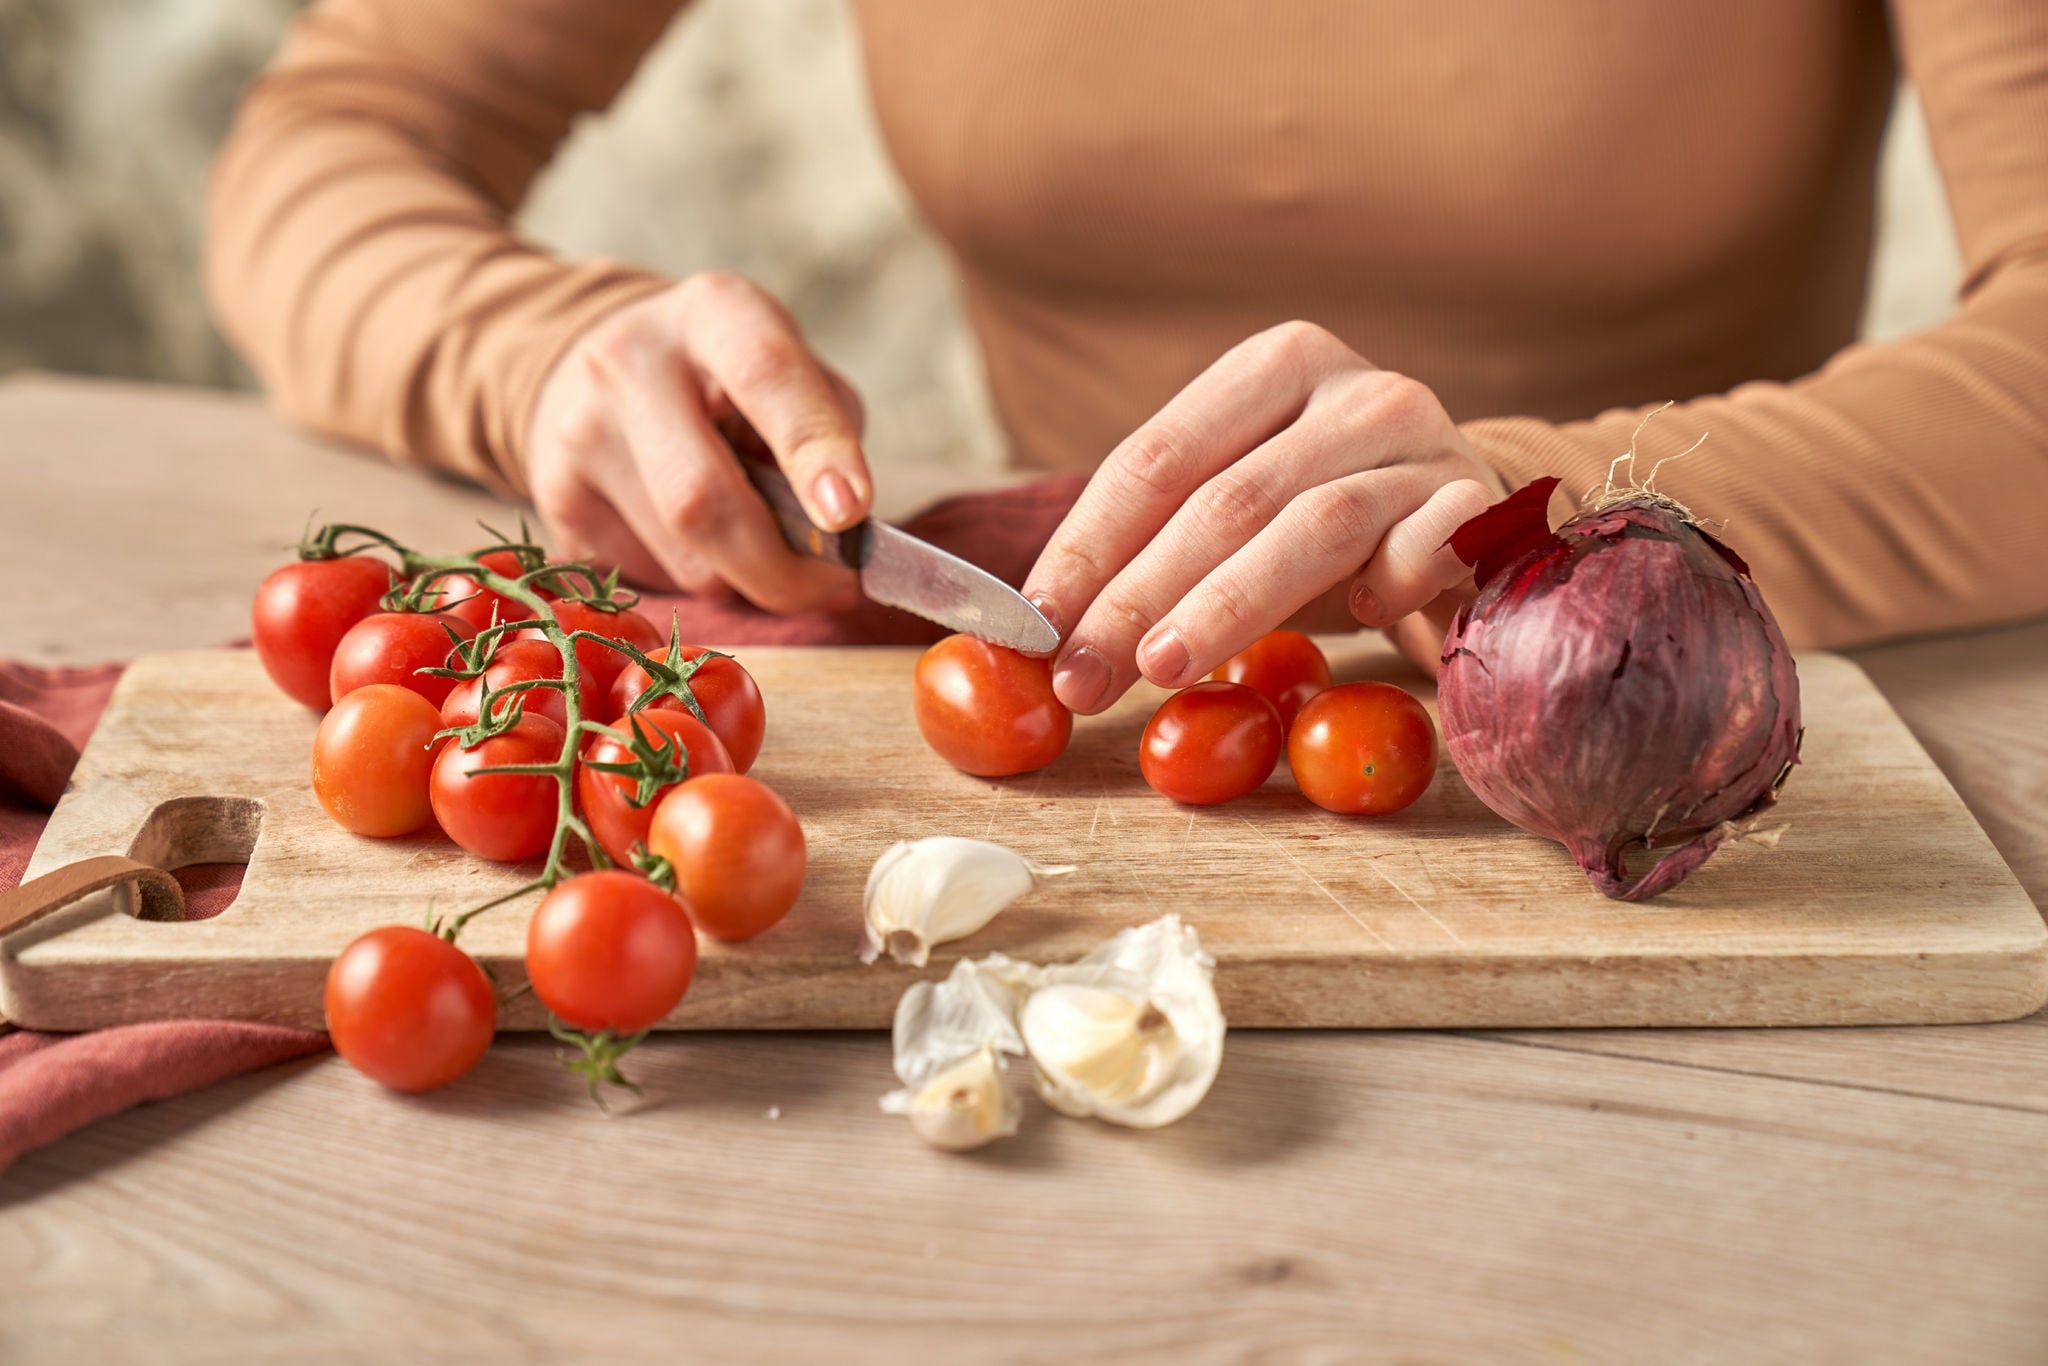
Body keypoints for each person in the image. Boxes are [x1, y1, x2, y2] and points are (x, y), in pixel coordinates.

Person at [206, 1, 2048, 716]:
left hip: (1698, 769)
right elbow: (339, 132)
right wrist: (536, 352)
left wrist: (1532, 512)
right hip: (1098, 762)